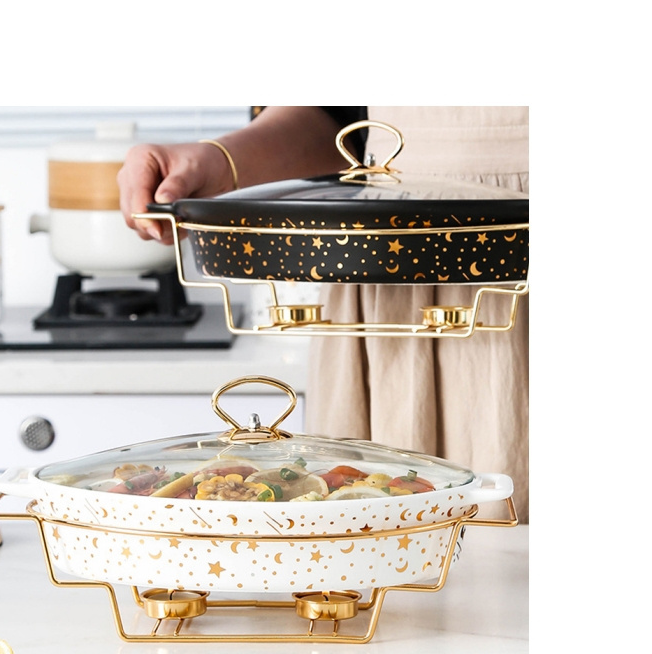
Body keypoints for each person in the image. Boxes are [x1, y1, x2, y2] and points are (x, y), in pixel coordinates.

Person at [118, 107, 529, 523]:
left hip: (517, 242)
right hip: (375, 253)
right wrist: (219, 161)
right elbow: (334, 118)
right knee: (362, 522)